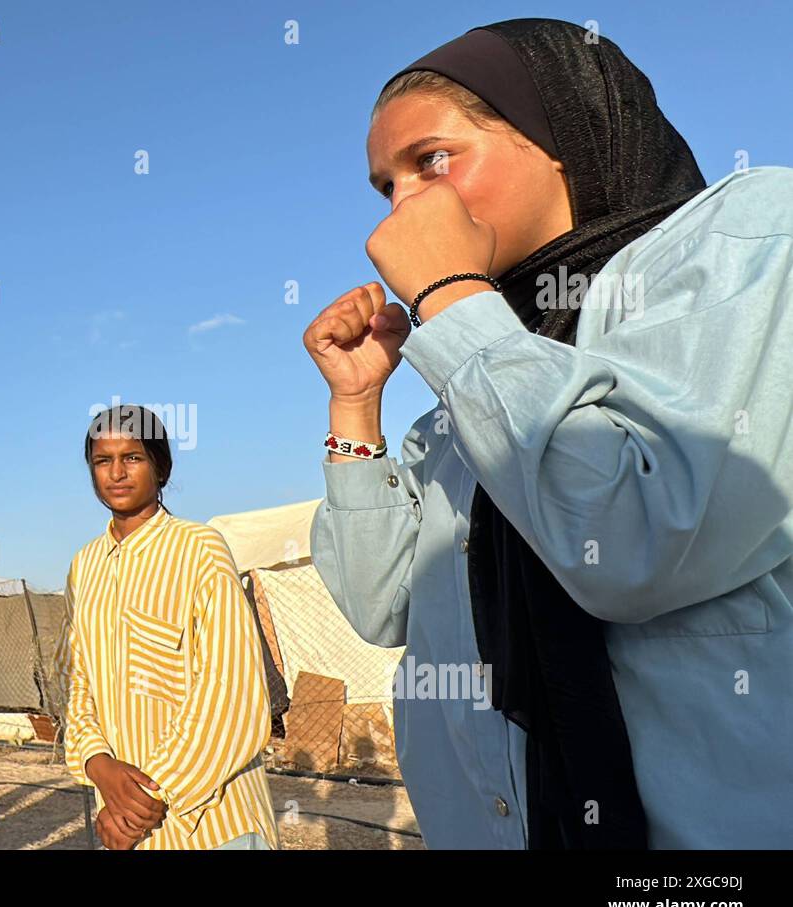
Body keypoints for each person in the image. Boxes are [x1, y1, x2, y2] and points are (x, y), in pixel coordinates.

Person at [304, 17, 793, 849]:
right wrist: (356, 407)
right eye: (387, 187)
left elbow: (634, 543)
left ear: (560, 134)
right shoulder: (474, 385)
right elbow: (383, 607)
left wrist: (454, 300)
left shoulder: (746, 237)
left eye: (432, 161)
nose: (403, 211)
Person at [56, 404, 280, 849]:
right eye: (103, 461)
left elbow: (232, 696)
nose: (117, 472)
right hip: (124, 823)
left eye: (132, 458)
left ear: (160, 466)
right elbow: (76, 682)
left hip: (213, 823)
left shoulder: (199, 550)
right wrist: (98, 764)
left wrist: (145, 795)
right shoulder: (84, 566)